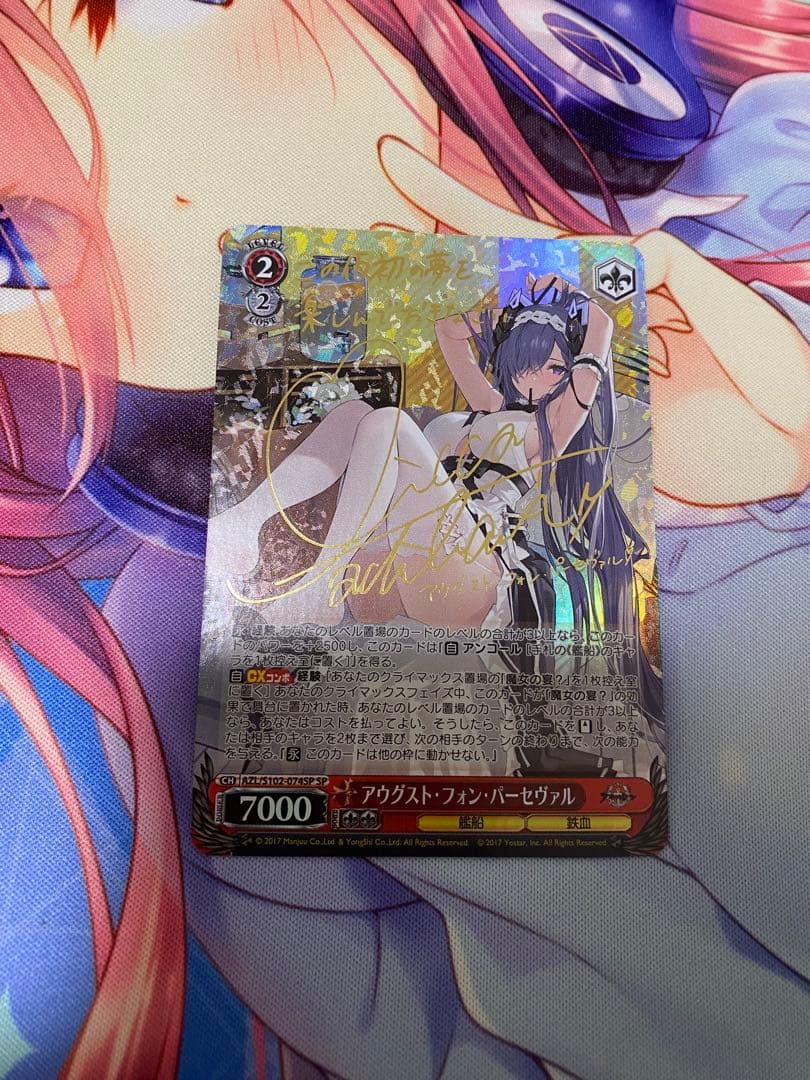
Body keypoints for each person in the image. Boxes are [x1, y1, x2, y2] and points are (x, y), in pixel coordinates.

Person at [1, 2, 808, 1077]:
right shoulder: (198, 647)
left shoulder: (777, 178)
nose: (177, 202)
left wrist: (761, 493)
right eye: (13, 241)